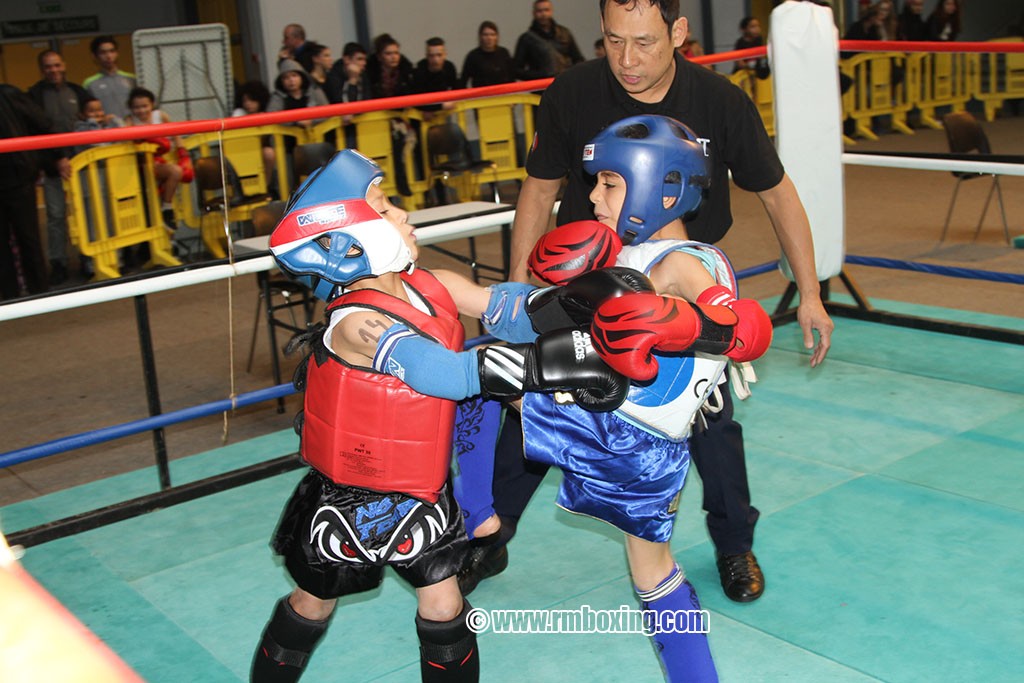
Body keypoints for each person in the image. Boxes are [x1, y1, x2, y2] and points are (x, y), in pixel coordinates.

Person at [460, 0, 834, 604]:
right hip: (588, 279)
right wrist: (516, 290)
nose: (627, 61)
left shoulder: (720, 100)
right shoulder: (574, 92)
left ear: (678, 33)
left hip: (680, 280)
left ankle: (734, 544)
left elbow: (778, 194)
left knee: (709, 420)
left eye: (644, 43)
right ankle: (492, 531)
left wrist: (811, 294)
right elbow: (540, 188)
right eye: (612, 41)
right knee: (535, 397)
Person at [248, 148, 630, 683]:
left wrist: (579, 305)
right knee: (314, 603)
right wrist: (548, 366)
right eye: (384, 209)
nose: (403, 215)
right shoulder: (356, 324)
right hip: (351, 498)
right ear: (349, 238)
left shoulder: (431, 284)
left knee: (445, 604)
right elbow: (442, 374)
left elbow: (507, 310)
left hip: (420, 487)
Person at [516, 114, 774, 682]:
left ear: (661, 187)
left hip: (640, 442)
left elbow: (737, 322)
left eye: (609, 182)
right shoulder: (626, 255)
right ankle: (481, 520)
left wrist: (695, 326)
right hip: (600, 416)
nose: (594, 195)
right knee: (489, 374)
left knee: (652, 572)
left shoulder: (684, 262)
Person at [28, 50, 86, 285]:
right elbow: (35, 130)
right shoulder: (33, 95)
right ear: (42, 70)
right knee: (55, 216)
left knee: (86, 214)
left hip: (84, 166)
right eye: (48, 67)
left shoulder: (78, 91)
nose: (53, 70)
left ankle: (88, 259)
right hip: (52, 167)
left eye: (56, 65)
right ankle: (59, 263)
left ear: (64, 65)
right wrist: (55, 159)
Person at [0, 83, 57, 298]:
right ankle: (9, 296)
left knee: (29, 238)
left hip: (18, 178)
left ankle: (39, 292)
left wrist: (48, 159)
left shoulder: (9, 94)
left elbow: (42, 124)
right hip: (17, 176)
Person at [123, 87, 186, 225]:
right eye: (136, 107)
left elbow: (176, 135)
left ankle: (167, 209)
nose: (141, 110)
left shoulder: (160, 116)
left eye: (145, 106)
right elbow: (127, 143)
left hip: (162, 161)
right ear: (131, 108)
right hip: (141, 165)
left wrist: (183, 155)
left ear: (152, 104)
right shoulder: (129, 120)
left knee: (176, 172)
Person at [514, 0, 585, 80]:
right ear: (534, 13)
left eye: (546, 10)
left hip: (565, 83)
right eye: (539, 11)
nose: (543, 14)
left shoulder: (565, 33)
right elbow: (517, 70)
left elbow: (578, 59)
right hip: (541, 88)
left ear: (551, 11)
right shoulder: (526, 39)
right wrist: (541, 75)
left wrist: (570, 73)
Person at [83, 35, 136, 120]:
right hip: (107, 130)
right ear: (95, 56)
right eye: (103, 52)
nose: (108, 56)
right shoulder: (90, 83)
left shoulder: (131, 79)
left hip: (131, 128)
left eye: (112, 51)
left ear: (117, 53)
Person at [409, 37, 459, 117]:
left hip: (445, 114)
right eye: (431, 56)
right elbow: (414, 100)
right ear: (426, 56)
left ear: (445, 55)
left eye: (439, 55)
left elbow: (457, 91)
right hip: (420, 116)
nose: (435, 60)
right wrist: (440, 106)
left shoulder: (450, 67)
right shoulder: (419, 71)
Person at [460, 21, 516, 89]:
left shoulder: (504, 53)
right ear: (480, 37)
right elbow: (463, 81)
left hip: (502, 96)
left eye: (492, 35)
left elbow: (512, 77)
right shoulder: (473, 56)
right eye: (485, 35)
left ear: (497, 37)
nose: (489, 38)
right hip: (482, 97)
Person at [366, 33, 415, 100]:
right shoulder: (369, 73)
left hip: (401, 108)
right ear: (379, 57)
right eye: (388, 54)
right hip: (378, 108)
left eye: (396, 53)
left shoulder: (407, 71)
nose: (393, 57)